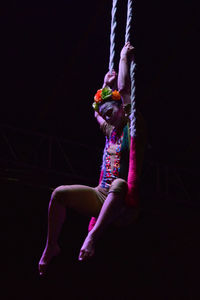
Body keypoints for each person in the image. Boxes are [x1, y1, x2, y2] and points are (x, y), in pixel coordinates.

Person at [38, 42, 146, 276]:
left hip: (123, 205)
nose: (107, 116)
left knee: (118, 183)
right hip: (102, 196)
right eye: (105, 114)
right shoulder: (110, 131)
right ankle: (51, 246)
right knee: (59, 193)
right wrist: (104, 85)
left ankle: (92, 237)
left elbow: (125, 91)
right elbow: (96, 109)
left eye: (112, 112)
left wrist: (123, 58)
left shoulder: (130, 127)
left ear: (121, 110)